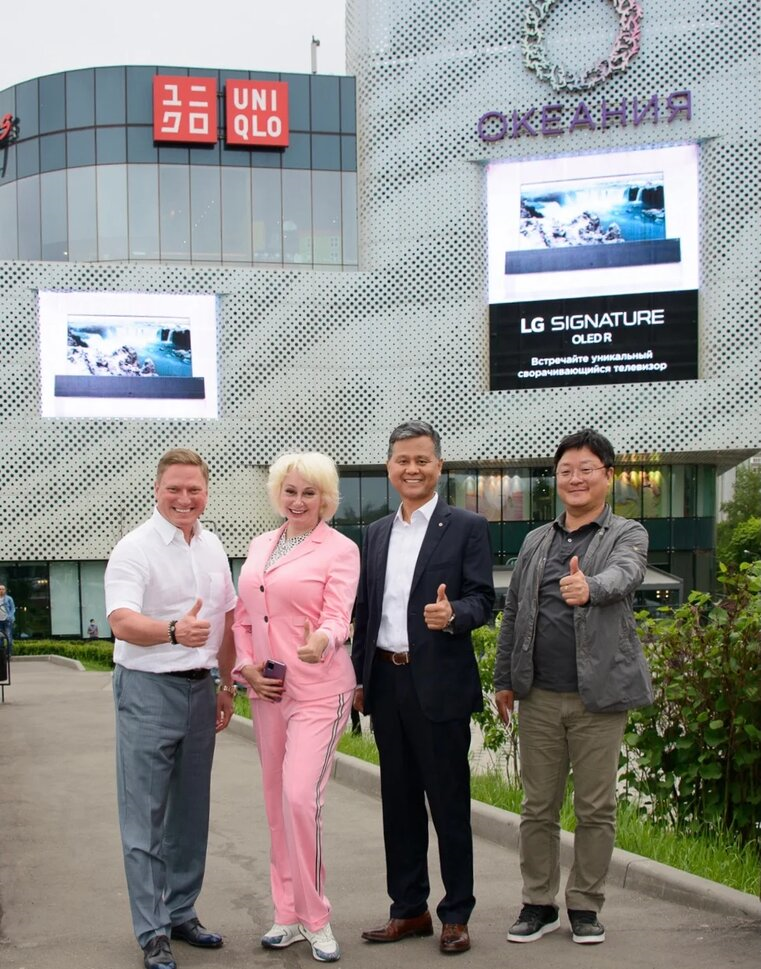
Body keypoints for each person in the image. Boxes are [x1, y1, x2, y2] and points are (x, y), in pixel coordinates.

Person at [494, 428, 653, 947]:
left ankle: (585, 904)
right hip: (538, 695)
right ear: (556, 478)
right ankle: (538, 903)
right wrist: (504, 681)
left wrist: (591, 587)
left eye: (587, 469)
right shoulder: (535, 540)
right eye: (566, 470)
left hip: (599, 697)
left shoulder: (627, 533)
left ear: (608, 475)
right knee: (537, 807)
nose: (575, 478)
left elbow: (627, 574)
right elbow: (514, 612)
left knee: (595, 808)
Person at [352, 421, 495, 955]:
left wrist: (453, 614)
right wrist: (360, 678)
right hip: (387, 680)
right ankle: (408, 909)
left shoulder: (467, 526)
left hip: (438, 684)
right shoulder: (375, 532)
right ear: (389, 467)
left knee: (449, 804)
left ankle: (456, 914)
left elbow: (483, 599)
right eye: (402, 461)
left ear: (439, 466)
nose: (411, 469)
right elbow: (366, 610)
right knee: (399, 805)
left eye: (422, 460)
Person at [105, 448, 237, 969]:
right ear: (157, 490)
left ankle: (181, 912)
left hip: (200, 690)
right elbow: (121, 621)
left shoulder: (213, 546)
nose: (185, 498)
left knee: (190, 813)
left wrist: (226, 684)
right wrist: (174, 631)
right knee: (145, 818)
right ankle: (152, 930)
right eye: (174, 489)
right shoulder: (134, 548)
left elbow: (226, 617)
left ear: (207, 491)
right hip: (146, 689)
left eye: (194, 489)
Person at [233, 453, 360, 963]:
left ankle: (317, 918)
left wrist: (323, 640)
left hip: (318, 690)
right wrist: (245, 666)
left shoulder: (341, 549)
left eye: (310, 492)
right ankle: (286, 914)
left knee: (300, 799)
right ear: (277, 494)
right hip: (268, 691)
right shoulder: (260, 545)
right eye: (291, 491)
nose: (299, 501)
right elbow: (243, 618)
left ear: (326, 498)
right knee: (276, 805)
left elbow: (339, 615)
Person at [0, 584, 16, 656]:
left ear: (5, 590)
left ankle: (8, 654)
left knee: (9, 637)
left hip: (7, 621)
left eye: (2, 589)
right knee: (0, 639)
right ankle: (1, 655)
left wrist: (9, 617)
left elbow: (13, 609)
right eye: (0, 589)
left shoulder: (9, 599)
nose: (1, 590)